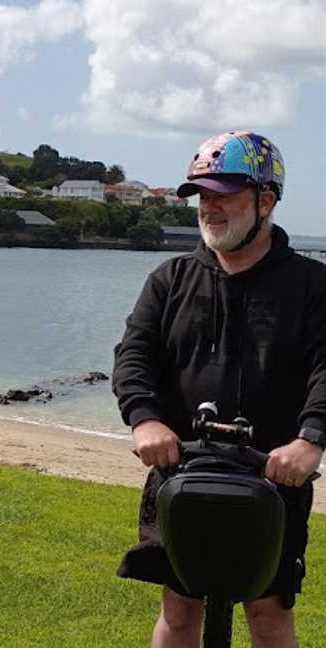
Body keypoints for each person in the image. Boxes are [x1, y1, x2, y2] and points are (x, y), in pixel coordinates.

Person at [112, 131, 326, 648]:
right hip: (181, 469)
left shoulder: (312, 286)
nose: (210, 207)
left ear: (266, 200)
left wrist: (311, 438)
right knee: (179, 609)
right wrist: (146, 418)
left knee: (268, 613)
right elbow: (134, 355)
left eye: (224, 195)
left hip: (273, 476)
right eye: (203, 196)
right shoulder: (171, 279)